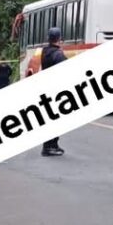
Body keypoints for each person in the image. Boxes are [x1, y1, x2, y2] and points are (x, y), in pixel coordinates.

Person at [41, 27, 66, 157]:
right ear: (59, 38)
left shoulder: (45, 51)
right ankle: (49, 147)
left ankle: (52, 145)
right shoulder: (58, 55)